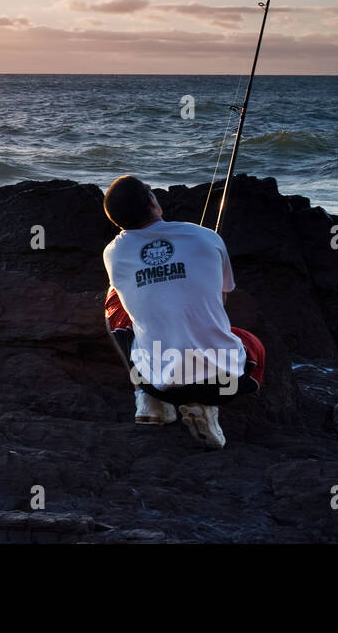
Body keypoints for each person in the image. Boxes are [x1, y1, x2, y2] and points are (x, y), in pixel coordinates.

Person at [101, 175, 265, 449]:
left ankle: (146, 397)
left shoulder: (112, 253)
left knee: (113, 298)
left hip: (158, 384)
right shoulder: (206, 237)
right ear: (153, 203)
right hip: (226, 384)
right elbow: (222, 296)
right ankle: (205, 408)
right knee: (253, 344)